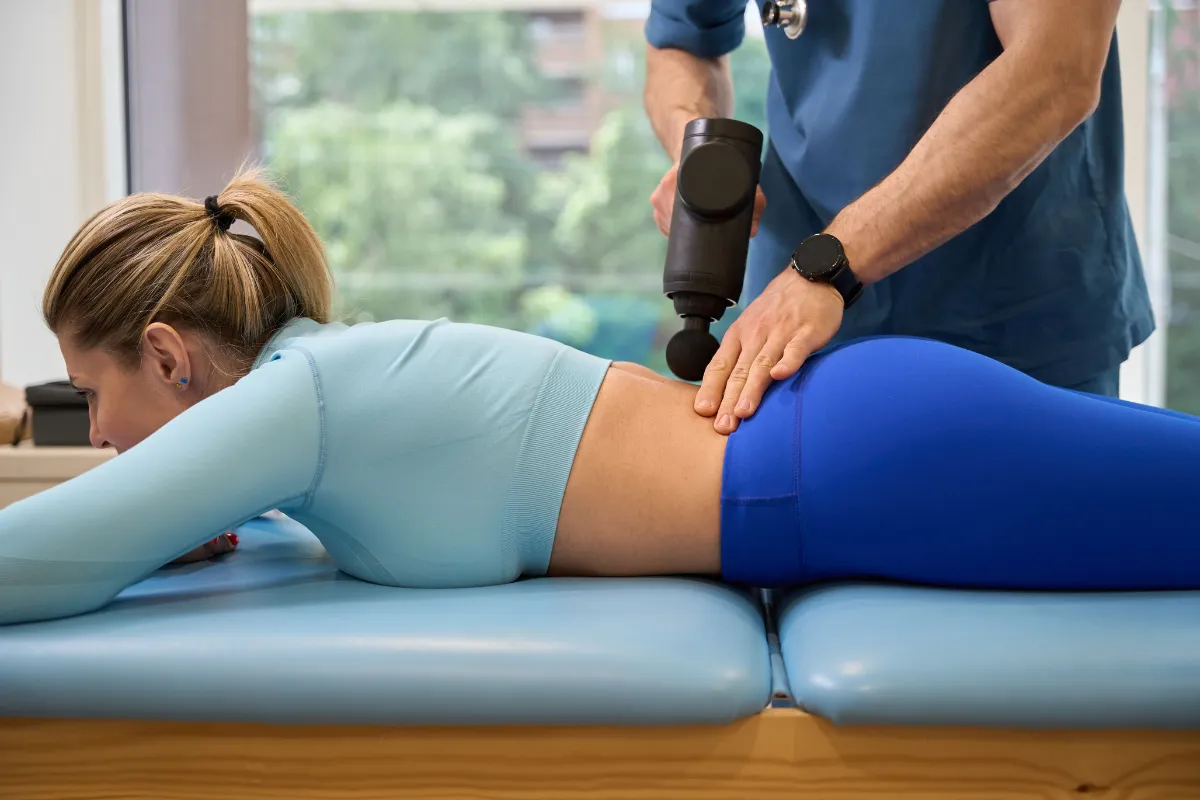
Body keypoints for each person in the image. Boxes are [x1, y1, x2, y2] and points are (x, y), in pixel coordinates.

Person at [1, 171, 1197, 628]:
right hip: (852, 454)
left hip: (871, 460)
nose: (100, 436)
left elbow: (41, 562)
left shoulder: (297, 396)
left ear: (166, 352)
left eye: (94, 391)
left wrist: (162, 510)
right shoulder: (308, 400)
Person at [643, 0, 1154, 434]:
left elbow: (1055, 70)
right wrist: (698, 146)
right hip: (794, 312)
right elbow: (682, 42)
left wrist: (829, 265)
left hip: (1011, 309)